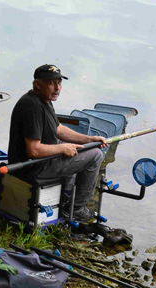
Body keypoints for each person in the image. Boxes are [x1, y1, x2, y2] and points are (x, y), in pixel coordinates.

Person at [7, 64, 108, 222]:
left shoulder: (43, 100)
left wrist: (89, 139)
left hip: (40, 162)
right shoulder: (32, 107)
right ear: (37, 84)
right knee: (95, 155)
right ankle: (76, 209)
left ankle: (66, 197)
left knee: (86, 147)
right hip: (32, 168)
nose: (57, 88)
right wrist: (62, 148)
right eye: (51, 83)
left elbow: (59, 129)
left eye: (59, 83)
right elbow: (33, 150)